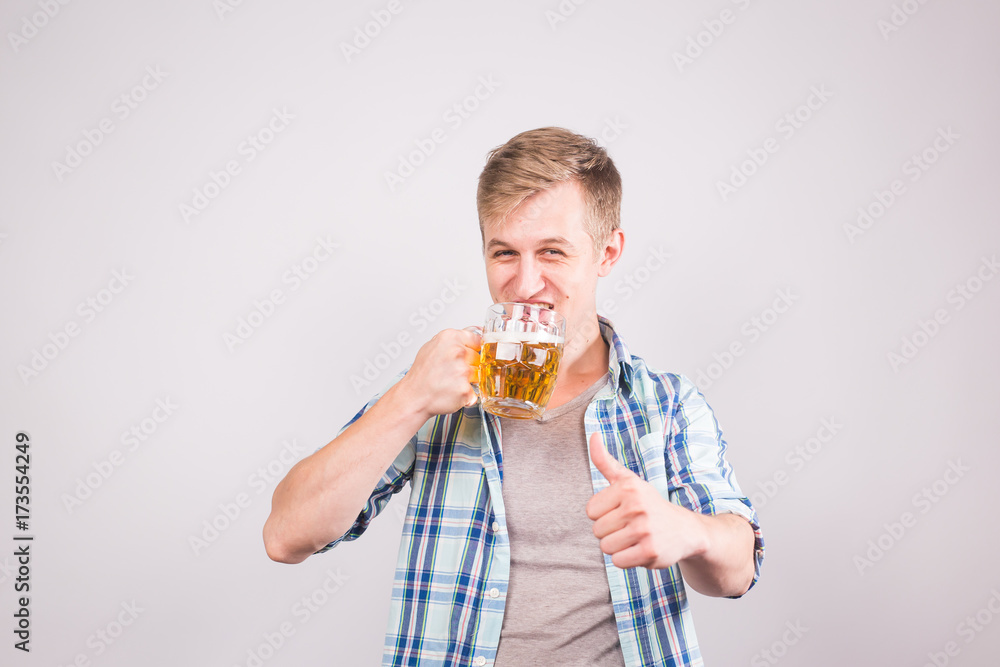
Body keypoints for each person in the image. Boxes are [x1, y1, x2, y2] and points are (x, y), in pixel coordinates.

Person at [263, 127, 765, 666]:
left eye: (552, 251)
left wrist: (687, 531)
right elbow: (287, 536)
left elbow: (738, 571)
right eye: (505, 253)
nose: (525, 285)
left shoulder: (664, 404)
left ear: (608, 252)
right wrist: (408, 398)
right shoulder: (436, 394)